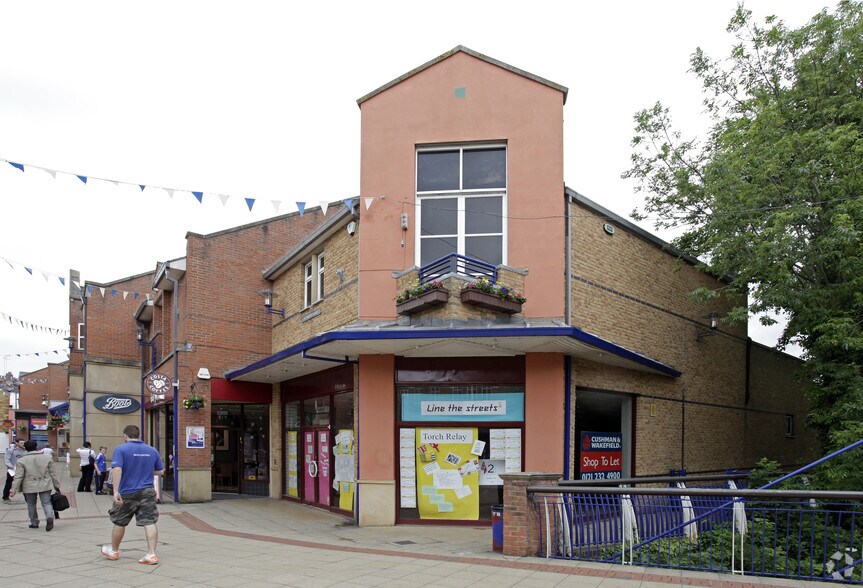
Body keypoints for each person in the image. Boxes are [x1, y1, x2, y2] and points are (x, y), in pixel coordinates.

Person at [101, 425, 164, 565]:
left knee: (120, 521)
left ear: (125, 436)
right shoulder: (151, 450)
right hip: (147, 491)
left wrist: (116, 491)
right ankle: (151, 554)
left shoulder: (121, 449)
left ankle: (114, 550)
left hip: (127, 492)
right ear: (139, 435)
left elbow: (117, 469)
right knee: (149, 521)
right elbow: (161, 471)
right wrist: (146, 472)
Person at [9, 440, 61, 531]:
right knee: (47, 502)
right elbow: (53, 473)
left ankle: (34, 522)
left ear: (25, 448)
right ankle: (49, 517)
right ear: (36, 447)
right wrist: (56, 485)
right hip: (44, 483)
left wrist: (13, 489)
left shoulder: (21, 460)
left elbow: (18, 476)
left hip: (29, 485)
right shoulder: (47, 458)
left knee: (31, 504)